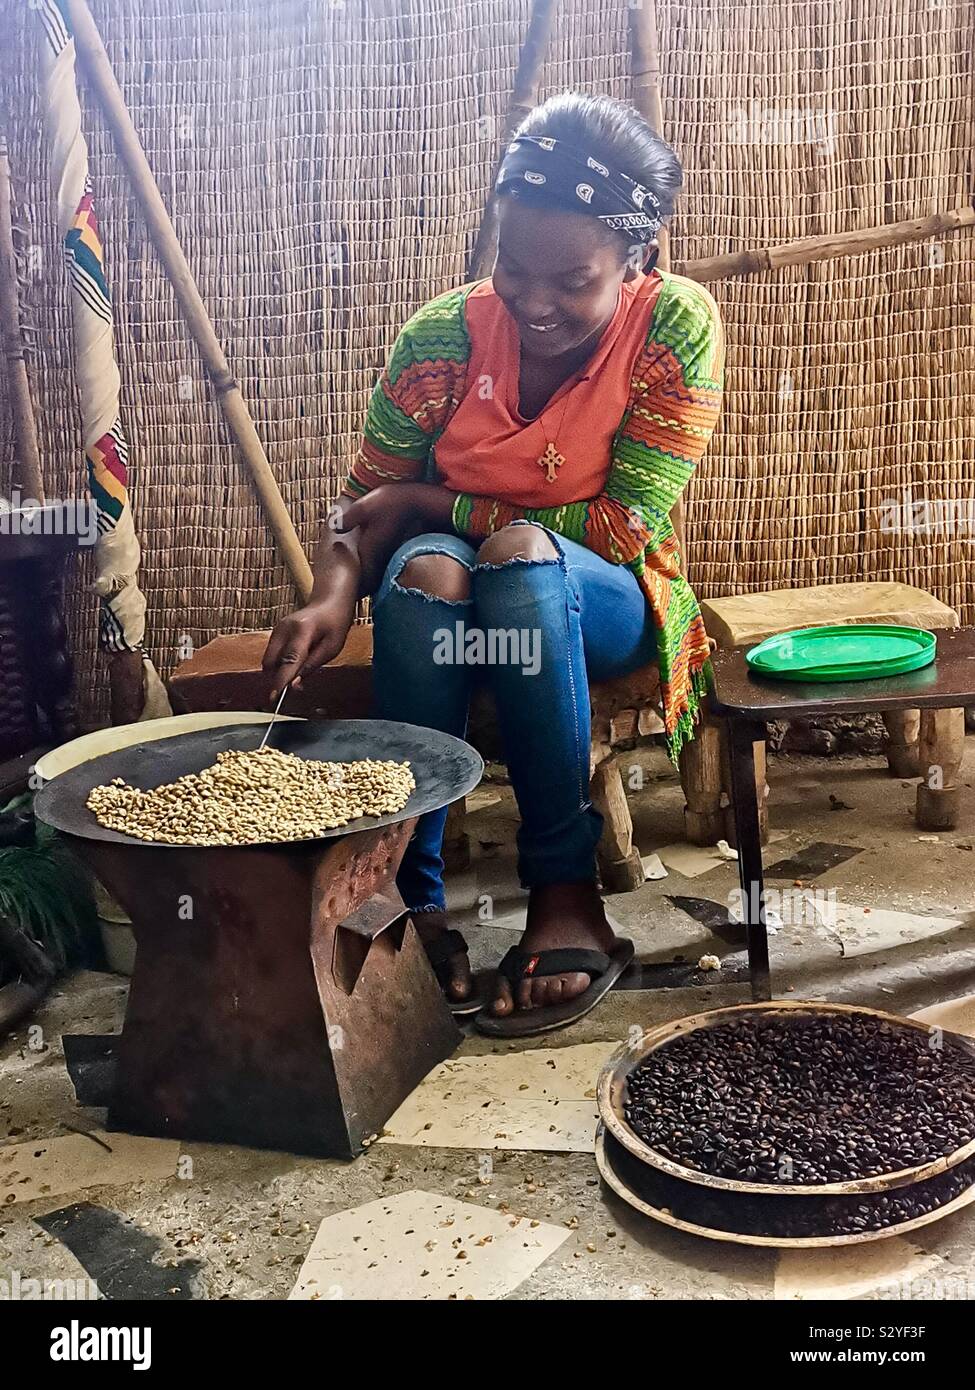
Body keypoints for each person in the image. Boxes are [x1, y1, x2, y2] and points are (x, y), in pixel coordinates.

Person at [264, 91, 724, 1036]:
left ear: (635, 260)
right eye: (513, 267)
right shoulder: (443, 336)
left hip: (598, 598)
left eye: (573, 280)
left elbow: (618, 527)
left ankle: (566, 892)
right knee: (426, 575)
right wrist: (330, 596)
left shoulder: (673, 327)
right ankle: (414, 895)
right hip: (453, 593)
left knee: (517, 558)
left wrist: (433, 503)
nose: (534, 301)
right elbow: (362, 506)